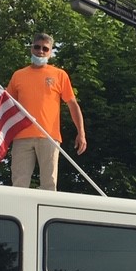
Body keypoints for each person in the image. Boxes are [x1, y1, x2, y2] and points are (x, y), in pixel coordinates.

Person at [6, 33, 87, 190]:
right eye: (37, 47)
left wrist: (81, 133)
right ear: (31, 48)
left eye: (45, 48)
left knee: (49, 184)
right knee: (18, 184)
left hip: (49, 136)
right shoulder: (18, 75)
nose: (40, 51)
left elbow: (72, 104)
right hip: (22, 135)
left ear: (50, 52)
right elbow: (7, 104)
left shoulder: (59, 75)